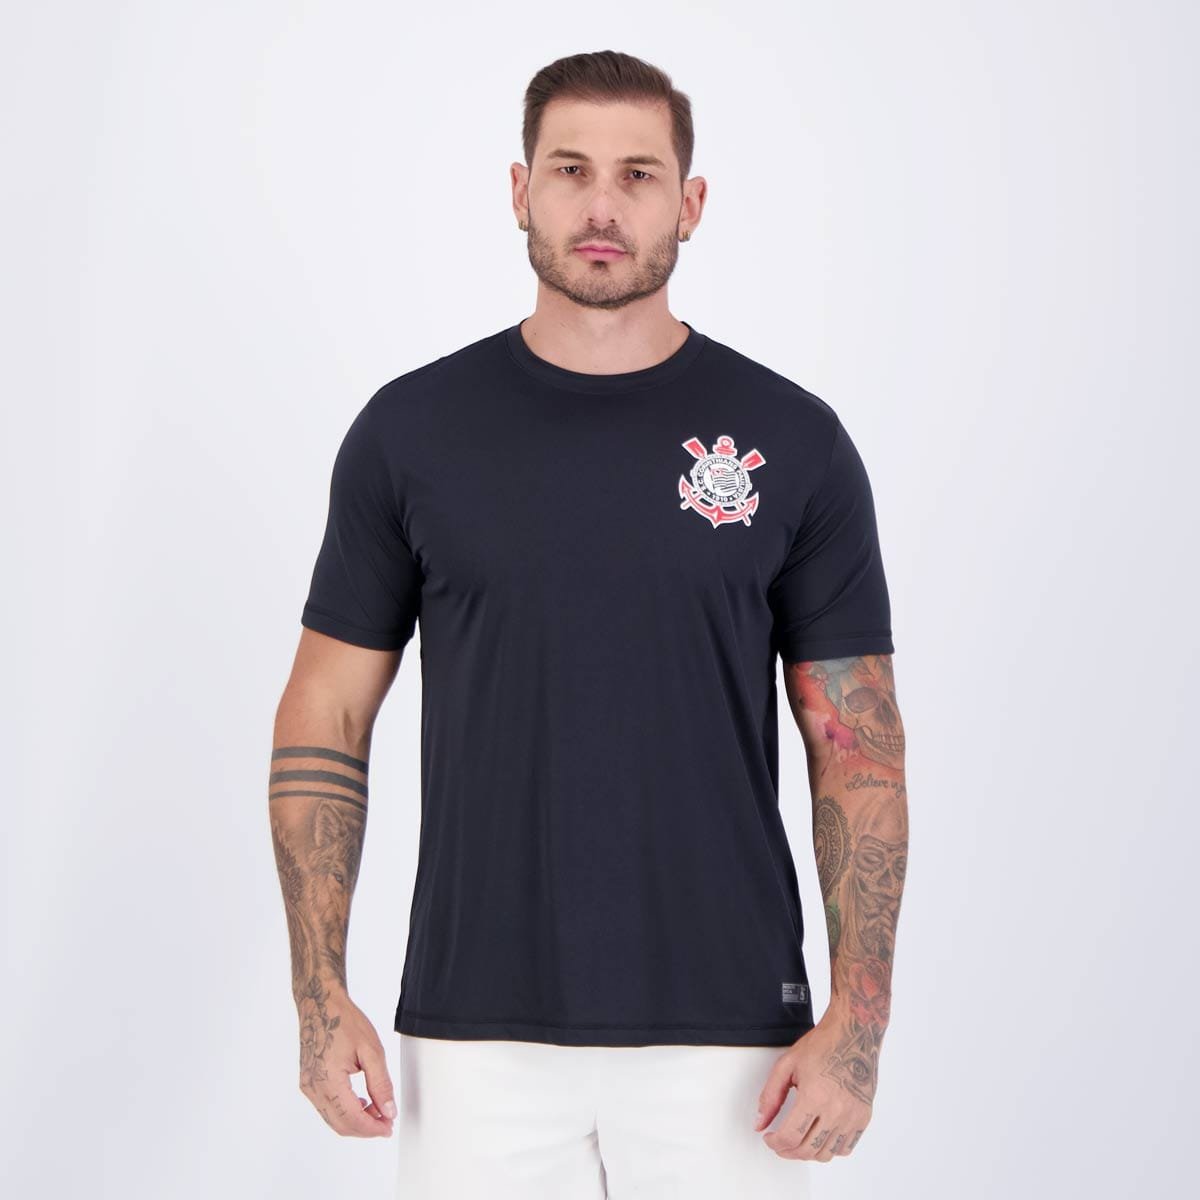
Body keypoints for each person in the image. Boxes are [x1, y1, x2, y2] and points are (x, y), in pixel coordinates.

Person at [268, 48, 908, 1200]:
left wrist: (856, 1028)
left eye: (638, 175)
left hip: (733, 1040)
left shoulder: (794, 441)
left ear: (690, 204)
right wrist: (320, 998)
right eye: (570, 170)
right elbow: (327, 713)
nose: (602, 207)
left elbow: (857, 748)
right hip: (474, 1033)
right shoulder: (410, 435)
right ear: (520, 191)